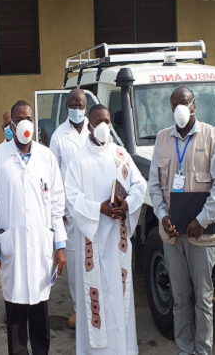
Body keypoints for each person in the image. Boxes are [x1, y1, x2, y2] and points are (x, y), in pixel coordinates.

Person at [0, 100, 67, 355]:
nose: (24, 123)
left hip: (41, 247)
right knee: (16, 315)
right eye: (19, 119)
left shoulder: (46, 157)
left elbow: (57, 204)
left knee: (40, 314)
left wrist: (60, 245)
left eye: (29, 117)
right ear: (12, 124)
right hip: (12, 250)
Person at [148, 87, 215, 355]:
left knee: (204, 299)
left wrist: (202, 220)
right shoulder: (162, 139)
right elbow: (155, 186)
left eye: (183, 103)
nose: (178, 109)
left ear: (194, 105)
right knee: (180, 298)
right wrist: (162, 216)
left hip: (201, 235)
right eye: (174, 105)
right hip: (172, 235)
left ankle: (202, 351)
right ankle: (184, 350)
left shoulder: (212, 136)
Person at [65, 104, 146, 354]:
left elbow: (139, 185)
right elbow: (71, 196)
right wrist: (96, 209)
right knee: (95, 299)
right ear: (89, 125)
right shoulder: (79, 159)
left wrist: (127, 204)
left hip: (117, 243)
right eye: (98, 121)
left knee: (118, 301)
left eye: (107, 121)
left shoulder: (120, 154)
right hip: (93, 239)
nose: (103, 126)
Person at [49, 89, 91, 329]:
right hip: (70, 212)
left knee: (93, 258)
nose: (77, 109)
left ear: (86, 107)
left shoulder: (94, 131)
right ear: (67, 107)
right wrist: (58, 211)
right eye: (73, 105)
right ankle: (78, 309)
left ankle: (94, 304)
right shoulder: (58, 136)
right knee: (75, 262)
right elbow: (54, 176)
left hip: (94, 207)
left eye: (81, 105)